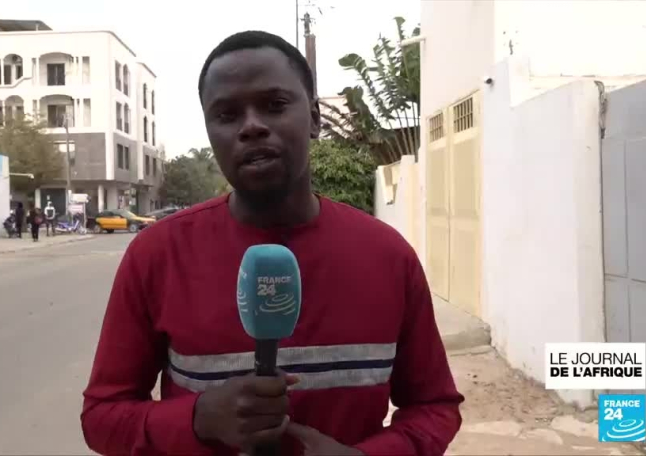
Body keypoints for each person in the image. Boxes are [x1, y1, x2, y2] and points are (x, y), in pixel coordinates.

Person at [81, 31, 464, 456]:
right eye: (226, 114)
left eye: (275, 105)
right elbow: (101, 418)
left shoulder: (388, 256)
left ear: (314, 119)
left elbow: (435, 407)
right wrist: (197, 419)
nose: (251, 127)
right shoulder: (156, 255)